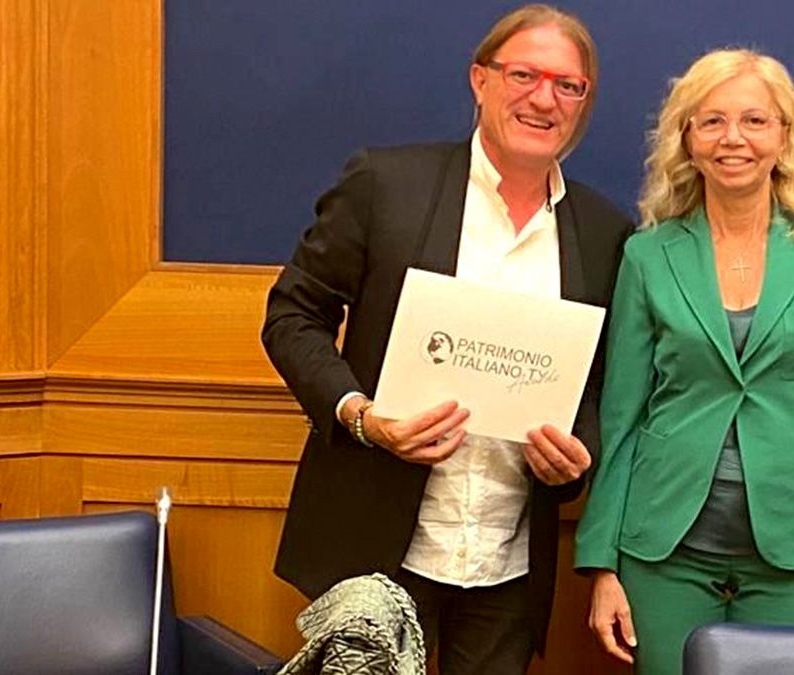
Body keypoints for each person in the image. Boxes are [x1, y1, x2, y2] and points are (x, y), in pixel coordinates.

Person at [261, 5, 632, 673]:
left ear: (583, 102)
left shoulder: (606, 232)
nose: (544, 98)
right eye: (524, 73)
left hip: (509, 562)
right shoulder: (385, 185)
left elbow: (604, 380)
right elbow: (292, 315)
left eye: (568, 85)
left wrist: (578, 455)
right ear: (479, 79)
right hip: (377, 546)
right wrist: (362, 416)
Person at [575, 48, 794, 674]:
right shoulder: (647, 256)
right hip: (664, 554)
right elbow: (624, 418)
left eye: (754, 120)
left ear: (784, 137)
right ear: (687, 139)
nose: (733, 139)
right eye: (712, 121)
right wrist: (602, 563)